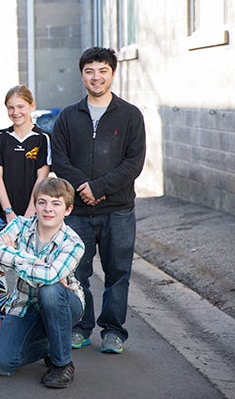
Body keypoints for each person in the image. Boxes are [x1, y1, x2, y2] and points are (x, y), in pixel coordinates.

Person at [51, 46, 146, 354]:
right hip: (77, 211)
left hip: (118, 210)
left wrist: (101, 187)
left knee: (118, 273)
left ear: (112, 74)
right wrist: (83, 187)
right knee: (77, 273)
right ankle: (81, 327)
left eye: (103, 71)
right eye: (90, 71)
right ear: (82, 75)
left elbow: (134, 162)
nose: (96, 77)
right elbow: (60, 159)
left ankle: (113, 330)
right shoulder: (68, 116)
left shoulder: (130, 115)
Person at [0, 177, 85, 389]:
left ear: (67, 210)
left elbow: (49, 277)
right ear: (36, 205)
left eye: (56, 204)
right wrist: (34, 261)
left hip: (66, 304)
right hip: (24, 305)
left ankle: (62, 364)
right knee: (2, 364)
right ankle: (53, 343)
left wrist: (14, 256)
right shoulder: (20, 224)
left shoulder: (73, 243)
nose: (48, 209)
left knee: (49, 290)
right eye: (42, 202)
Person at [0, 85, 51, 343]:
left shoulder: (42, 139)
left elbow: (41, 179)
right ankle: (7, 319)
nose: (16, 112)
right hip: (6, 217)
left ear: (31, 106)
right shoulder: (0, 138)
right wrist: (10, 213)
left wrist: (27, 216)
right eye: (11, 107)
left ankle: (35, 325)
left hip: (35, 219)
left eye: (21, 106)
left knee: (33, 270)